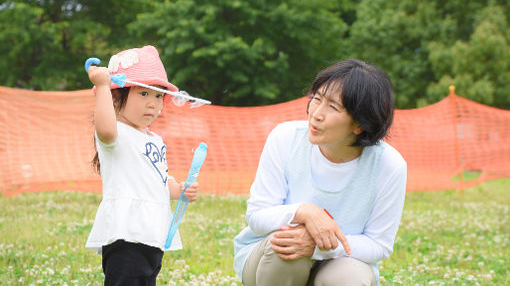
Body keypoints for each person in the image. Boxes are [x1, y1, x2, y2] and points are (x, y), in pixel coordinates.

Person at [233, 59, 407, 286]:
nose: (316, 114)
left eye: (333, 107)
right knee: (287, 247)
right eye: (316, 99)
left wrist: (320, 245)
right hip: (268, 261)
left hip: (339, 261)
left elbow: (379, 245)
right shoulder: (284, 137)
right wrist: (304, 212)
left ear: (359, 124)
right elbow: (257, 217)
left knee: (349, 278)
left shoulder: (389, 166)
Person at [85, 45, 199, 286]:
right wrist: (104, 86)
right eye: (143, 94)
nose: (153, 104)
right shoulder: (116, 135)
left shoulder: (154, 140)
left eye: (158, 96)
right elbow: (104, 128)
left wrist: (177, 189)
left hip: (152, 232)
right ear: (118, 96)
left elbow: (156, 178)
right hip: (126, 233)